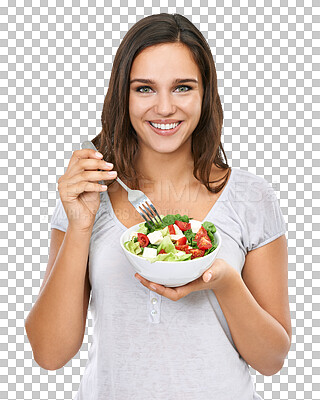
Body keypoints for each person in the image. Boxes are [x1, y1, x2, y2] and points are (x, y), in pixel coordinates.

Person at [25, 13, 291, 400]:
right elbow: (50, 354)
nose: (164, 108)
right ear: (123, 95)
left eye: (182, 87)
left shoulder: (251, 197)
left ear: (205, 94)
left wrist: (224, 282)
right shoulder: (88, 195)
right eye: (144, 89)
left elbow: (272, 361)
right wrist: (79, 224)